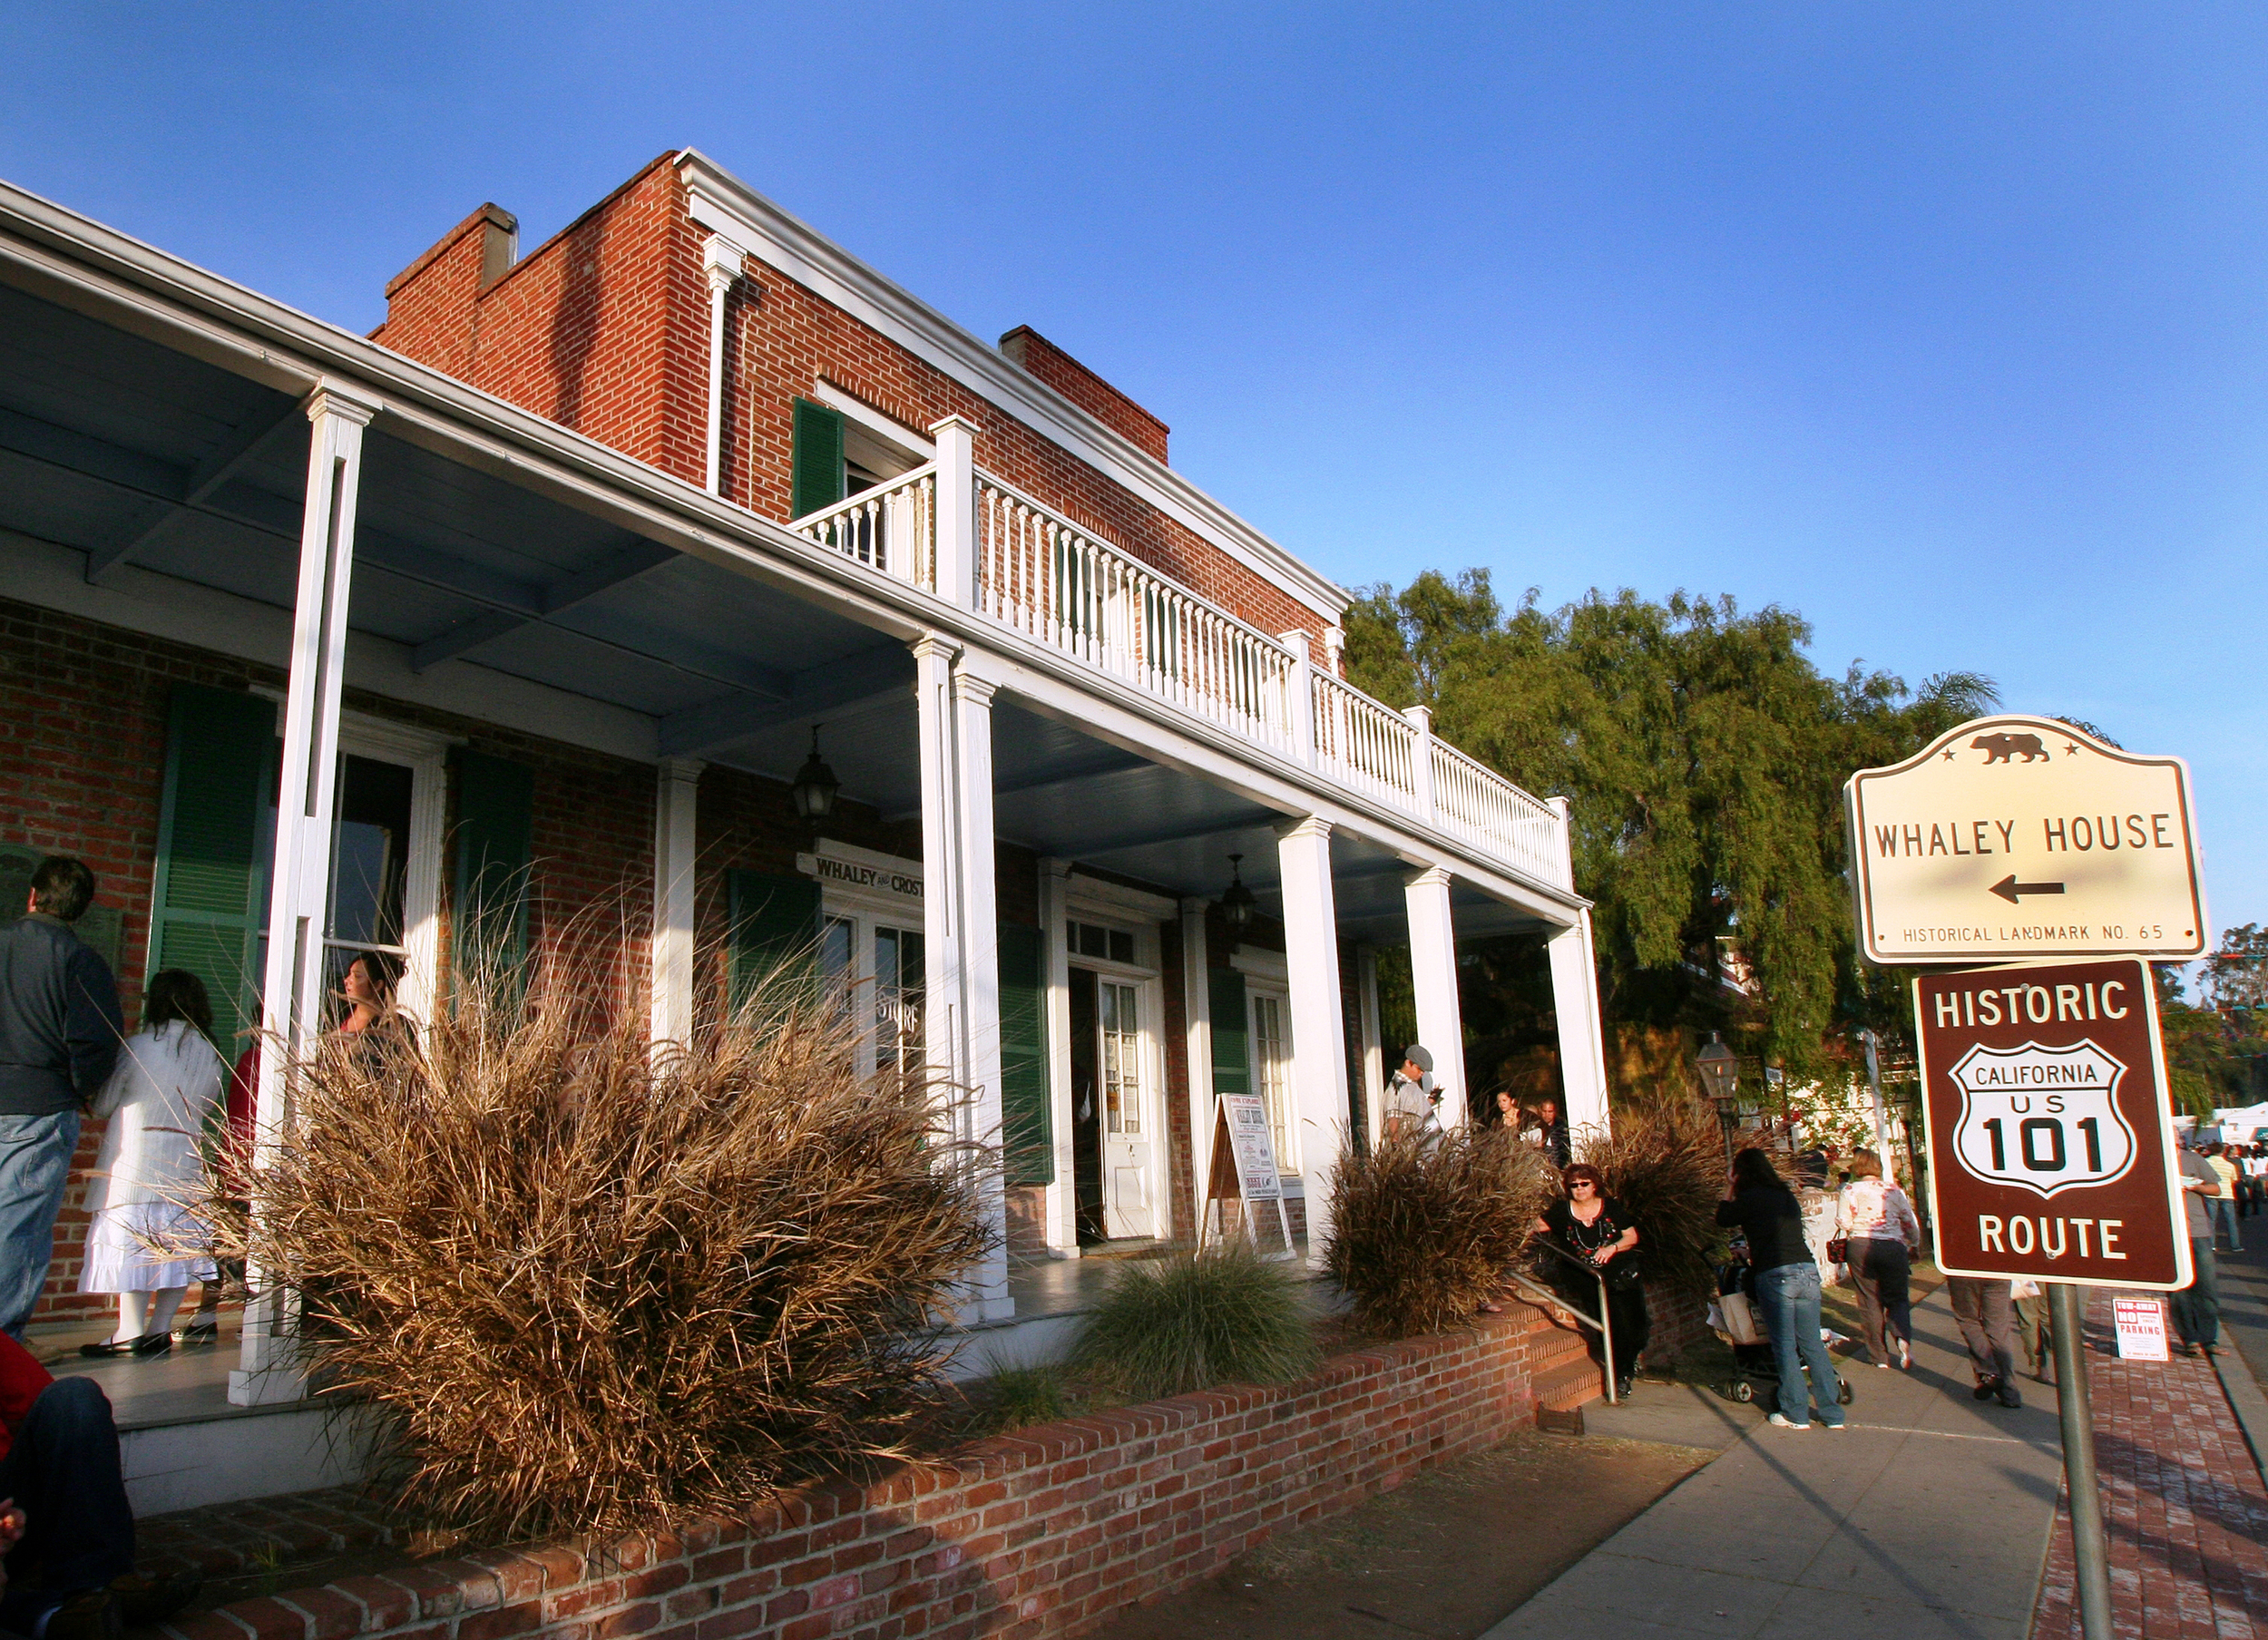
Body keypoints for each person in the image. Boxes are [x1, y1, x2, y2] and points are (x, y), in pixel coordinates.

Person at [0, 1330, 198, 1639]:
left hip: (10, 1514)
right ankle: (52, 1617)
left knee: (73, 1397)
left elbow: (43, 1409)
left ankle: (98, 1585)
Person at [0, 858, 123, 1339]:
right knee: (17, 1227)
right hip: (39, 1106)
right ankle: (4, 1347)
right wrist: (83, 1089)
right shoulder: (79, 960)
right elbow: (96, 1042)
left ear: (33, 896)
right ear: (82, 908)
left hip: (28, 1097)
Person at [76, 971, 224, 1360]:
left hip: (135, 1163)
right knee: (178, 1250)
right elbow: (207, 1108)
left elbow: (104, 1103)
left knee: (134, 1248)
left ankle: (130, 1330)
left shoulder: (138, 1045)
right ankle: (160, 1330)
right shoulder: (210, 1053)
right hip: (185, 1163)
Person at [1716, 1147, 1845, 1429]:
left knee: (1785, 1345)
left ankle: (1796, 1413)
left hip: (1776, 1275)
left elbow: (1723, 1217)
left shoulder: (1748, 1198)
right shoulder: (1785, 1196)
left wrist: (1730, 1185)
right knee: (1812, 1345)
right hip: (1806, 1270)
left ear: (1741, 1174)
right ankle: (1832, 1414)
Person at [1536, 1163, 1647, 1398]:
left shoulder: (1611, 1207)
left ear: (1594, 1185)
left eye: (1584, 1184)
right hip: (1586, 1278)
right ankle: (1621, 1375)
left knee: (1636, 1325)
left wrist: (1612, 1249)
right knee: (1611, 1324)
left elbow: (1631, 1236)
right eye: (1574, 1185)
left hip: (1619, 1274)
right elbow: (1535, 1226)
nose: (1580, 1189)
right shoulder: (1561, 1211)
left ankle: (1629, 1360)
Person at [1836, 1152, 1921, 1371]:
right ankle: (1902, 1339)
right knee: (1898, 1298)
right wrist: (1913, 1242)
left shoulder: (1850, 1190)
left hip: (1861, 1246)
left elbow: (1845, 1222)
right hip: (1893, 1245)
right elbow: (1908, 1220)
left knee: (1869, 1300)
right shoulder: (1893, 1190)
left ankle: (1879, 1356)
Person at [2171, 1134, 2223, 1356]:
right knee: (2178, 1291)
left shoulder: (2193, 1159)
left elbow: (2216, 1189)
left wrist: (2194, 1187)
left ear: (2180, 1140)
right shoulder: (2152, 1159)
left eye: (2176, 1136)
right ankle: (2190, 1339)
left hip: (2198, 1232)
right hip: (2170, 1233)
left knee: (2206, 1287)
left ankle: (2210, 1340)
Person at [1945, 1274, 2022, 1406]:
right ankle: (2010, 1391)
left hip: (1964, 1271)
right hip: (1998, 1270)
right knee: (1998, 1327)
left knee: (1968, 1320)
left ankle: (1989, 1372)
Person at [1383, 1046, 1439, 1146]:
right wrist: (1395, 1145)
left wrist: (1432, 1099)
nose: (1421, 1073)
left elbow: (1417, 1110)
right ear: (1408, 1063)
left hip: (1428, 1151)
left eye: (1424, 1071)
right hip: (1412, 1150)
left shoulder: (1412, 1085)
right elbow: (1393, 1118)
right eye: (1419, 1069)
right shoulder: (1397, 1087)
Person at [2010, 1278, 2054, 1386]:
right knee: (2050, 1318)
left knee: (2028, 1320)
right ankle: (2067, 1365)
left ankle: (2041, 1369)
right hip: (2049, 1270)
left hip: (2022, 1273)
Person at [2204, 1143, 2242, 1253]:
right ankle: (2235, 1245)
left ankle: (2212, 1245)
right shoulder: (2229, 1165)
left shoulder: (2206, 1163)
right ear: (2223, 1152)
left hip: (2210, 1193)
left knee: (2211, 1220)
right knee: (2231, 1220)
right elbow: (2234, 1179)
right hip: (2227, 1194)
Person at [1526, 1096, 1570, 1168]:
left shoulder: (1562, 1128)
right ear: (1540, 1111)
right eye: (1544, 1111)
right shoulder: (1534, 1127)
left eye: (1550, 1112)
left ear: (1555, 1112)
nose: (1547, 1115)